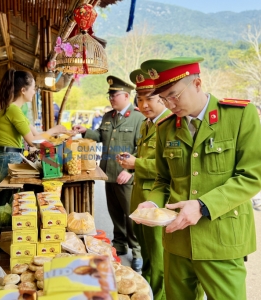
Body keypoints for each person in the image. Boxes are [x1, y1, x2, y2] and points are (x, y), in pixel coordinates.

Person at [136, 57, 261, 299]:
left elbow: (250, 177)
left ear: (197, 83)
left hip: (221, 239)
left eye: (174, 95)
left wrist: (203, 205)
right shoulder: (165, 128)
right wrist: (152, 203)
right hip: (177, 241)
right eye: (163, 98)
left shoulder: (239, 115)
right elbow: (163, 180)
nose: (170, 104)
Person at [73, 76, 145, 272]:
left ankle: (137, 252)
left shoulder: (139, 118)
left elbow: (143, 149)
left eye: (115, 95)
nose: (111, 98)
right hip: (109, 174)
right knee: (115, 213)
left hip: (126, 176)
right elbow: (100, 136)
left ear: (126, 95)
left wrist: (131, 170)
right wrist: (85, 130)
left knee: (132, 216)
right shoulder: (108, 116)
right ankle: (120, 245)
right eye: (110, 95)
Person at [117, 69, 171, 299]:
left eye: (150, 97)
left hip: (157, 204)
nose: (144, 103)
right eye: (140, 98)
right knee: (148, 256)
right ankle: (147, 293)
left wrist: (136, 164)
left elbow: (168, 167)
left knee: (158, 260)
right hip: (141, 200)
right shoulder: (147, 124)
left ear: (162, 97)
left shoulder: (169, 124)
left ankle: (157, 296)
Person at [0, 69, 66, 205]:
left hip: (9, 158)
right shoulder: (13, 110)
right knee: (5, 208)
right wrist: (53, 129)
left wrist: (58, 132)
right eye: (33, 88)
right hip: (7, 160)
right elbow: (32, 141)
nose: (34, 92)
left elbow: (37, 135)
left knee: (10, 207)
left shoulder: (14, 110)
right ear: (23, 90)